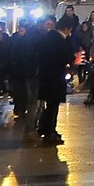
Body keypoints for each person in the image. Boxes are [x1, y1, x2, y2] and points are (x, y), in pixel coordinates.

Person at [34, 14, 76, 144]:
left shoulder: (47, 37)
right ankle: (49, 131)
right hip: (55, 78)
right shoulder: (60, 40)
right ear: (67, 28)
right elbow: (65, 57)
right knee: (53, 106)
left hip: (45, 76)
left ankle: (46, 129)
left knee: (49, 105)